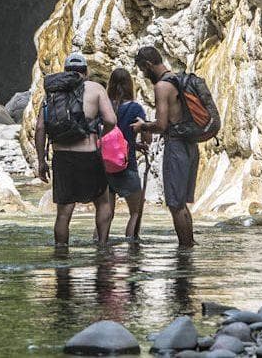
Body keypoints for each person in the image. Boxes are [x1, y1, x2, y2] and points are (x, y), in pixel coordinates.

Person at [33, 52, 119, 247]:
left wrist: (41, 161)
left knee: (63, 213)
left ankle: (61, 252)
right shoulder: (95, 88)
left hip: (62, 157)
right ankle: (102, 246)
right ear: (86, 72)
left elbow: (40, 128)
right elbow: (111, 120)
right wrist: (100, 137)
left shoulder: (53, 92)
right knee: (102, 203)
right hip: (89, 155)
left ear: (65, 71)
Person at [129, 46, 197, 248]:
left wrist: (142, 126)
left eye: (143, 69)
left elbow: (161, 125)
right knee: (181, 203)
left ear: (148, 65)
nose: (144, 74)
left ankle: (184, 251)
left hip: (176, 146)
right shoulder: (178, 80)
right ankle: (190, 247)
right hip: (191, 144)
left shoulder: (162, 87)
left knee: (175, 205)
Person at [106, 67, 150, 241]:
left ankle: (100, 247)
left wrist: (133, 144)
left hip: (104, 166)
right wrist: (137, 141)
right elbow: (147, 138)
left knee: (106, 214)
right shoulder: (135, 108)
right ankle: (132, 248)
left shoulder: (105, 106)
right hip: (126, 165)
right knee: (135, 212)